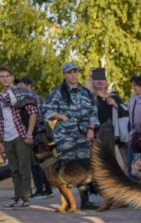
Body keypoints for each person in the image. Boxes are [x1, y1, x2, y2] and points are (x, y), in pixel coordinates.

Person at [43, 62, 100, 210]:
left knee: (84, 168)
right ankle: (67, 202)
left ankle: (85, 200)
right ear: (64, 75)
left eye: (75, 72)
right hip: (64, 136)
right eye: (69, 72)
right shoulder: (57, 92)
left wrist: (91, 129)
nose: (73, 75)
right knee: (64, 170)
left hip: (83, 135)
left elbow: (93, 112)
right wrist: (60, 116)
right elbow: (46, 111)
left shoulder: (86, 93)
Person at [0, 66, 40, 208]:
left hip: (21, 135)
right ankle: (17, 196)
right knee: (13, 168)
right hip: (7, 137)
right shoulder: (0, 97)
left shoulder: (21, 92)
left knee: (23, 167)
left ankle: (25, 197)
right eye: (2, 76)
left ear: (12, 77)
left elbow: (33, 112)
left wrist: (29, 134)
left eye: (7, 76)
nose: (5, 79)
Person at [14, 77, 53, 200]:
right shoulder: (20, 101)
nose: (19, 88)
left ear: (29, 86)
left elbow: (40, 116)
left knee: (39, 162)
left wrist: (32, 132)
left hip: (38, 133)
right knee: (34, 162)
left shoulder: (35, 98)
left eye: (21, 85)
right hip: (29, 133)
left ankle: (43, 190)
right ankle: (45, 189)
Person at [126, 74, 141, 175]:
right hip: (137, 138)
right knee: (134, 165)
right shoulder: (133, 97)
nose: (133, 88)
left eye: (135, 85)